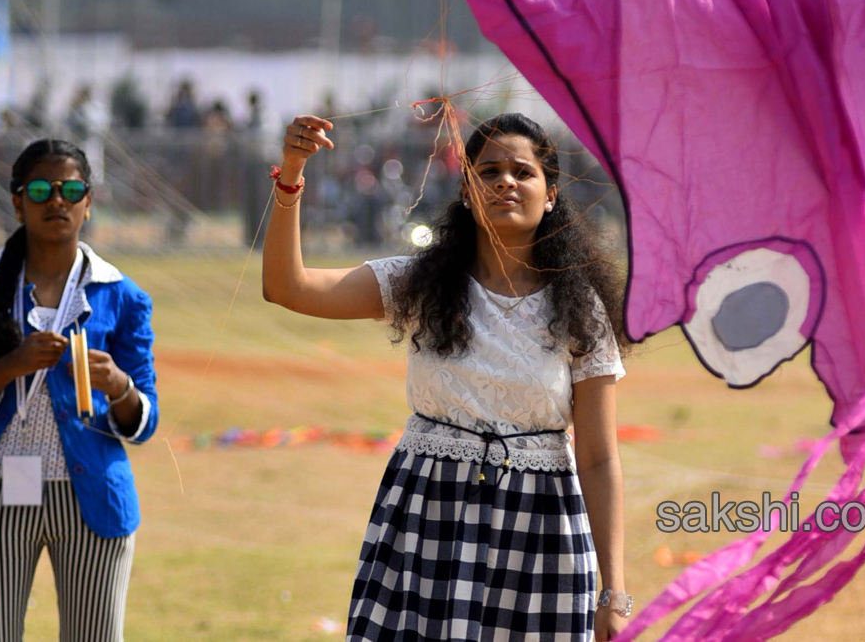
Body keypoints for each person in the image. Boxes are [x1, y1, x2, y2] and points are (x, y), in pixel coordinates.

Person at [262, 111, 635, 641]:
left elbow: (599, 459)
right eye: (489, 172)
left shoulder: (580, 310)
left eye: (522, 172)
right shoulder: (420, 283)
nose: (505, 181)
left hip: (541, 531)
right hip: (427, 519)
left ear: (550, 194)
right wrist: (293, 174)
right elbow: (288, 287)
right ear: (467, 190)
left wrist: (613, 593)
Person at [0, 139, 159, 642]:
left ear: (89, 202)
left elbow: (147, 421)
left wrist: (118, 385)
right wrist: (5, 369)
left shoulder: (124, 296)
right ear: (16, 202)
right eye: (40, 189)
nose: (57, 200)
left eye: (72, 189)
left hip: (93, 498)